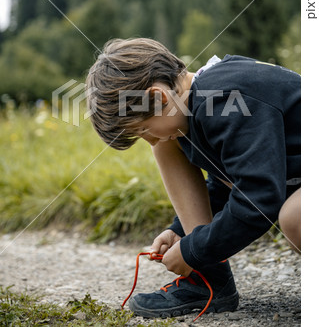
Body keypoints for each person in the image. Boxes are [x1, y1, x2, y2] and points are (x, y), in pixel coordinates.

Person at [86, 37, 301, 319]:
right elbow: (230, 186)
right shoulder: (200, 107)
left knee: (296, 216)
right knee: (166, 143)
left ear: (159, 97)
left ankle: (204, 273)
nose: (150, 140)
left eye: (142, 129)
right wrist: (182, 231)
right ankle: (207, 282)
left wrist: (194, 250)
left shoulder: (223, 97)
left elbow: (258, 200)